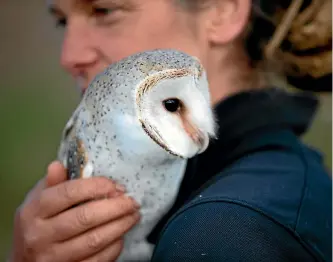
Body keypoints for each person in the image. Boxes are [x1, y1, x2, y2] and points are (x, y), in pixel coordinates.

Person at [7, 0, 332, 261]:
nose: (69, 56)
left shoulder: (225, 228)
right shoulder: (259, 184)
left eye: (104, 11)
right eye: (63, 22)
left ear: (222, 10)